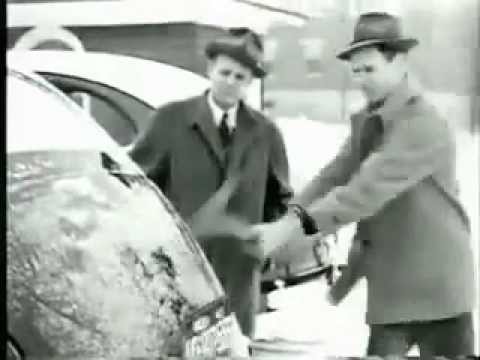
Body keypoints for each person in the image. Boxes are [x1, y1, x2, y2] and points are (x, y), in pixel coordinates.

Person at [254, 12, 476, 357]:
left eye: (369, 69)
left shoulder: (421, 124)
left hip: (437, 289)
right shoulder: (370, 121)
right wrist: (288, 217)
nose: (360, 80)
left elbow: (361, 193)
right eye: (355, 71)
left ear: (400, 62)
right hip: (392, 285)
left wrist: (290, 230)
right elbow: (335, 174)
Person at [129, 27, 292, 339]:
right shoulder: (170, 120)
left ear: (250, 82)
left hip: (239, 272)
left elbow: (280, 198)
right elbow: (139, 188)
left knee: (236, 347)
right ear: (210, 70)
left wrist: (263, 246)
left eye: (240, 77)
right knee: (185, 347)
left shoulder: (266, 133)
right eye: (225, 72)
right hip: (181, 269)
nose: (230, 82)